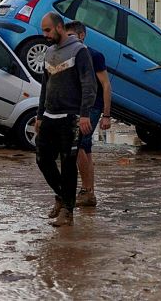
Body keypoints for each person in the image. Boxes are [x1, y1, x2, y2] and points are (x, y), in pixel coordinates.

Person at [35, 12, 97, 227]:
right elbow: (45, 86)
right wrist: (39, 115)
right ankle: (62, 196)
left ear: (59, 28)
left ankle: (67, 212)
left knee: (68, 163)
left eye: (48, 30)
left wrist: (84, 114)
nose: (45, 35)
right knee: (42, 159)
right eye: (43, 30)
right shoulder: (49, 52)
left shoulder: (79, 51)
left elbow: (89, 85)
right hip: (49, 116)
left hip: (71, 117)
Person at [65, 21, 112, 208]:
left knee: (78, 147)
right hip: (76, 107)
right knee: (85, 148)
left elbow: (106, 85)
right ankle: (89, 193)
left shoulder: (94, 56)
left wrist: (106, 115)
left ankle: (86, 191)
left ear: (81, 35)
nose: (68, 40)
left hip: (92, 107)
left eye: (71, 36)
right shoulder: (69, 55)